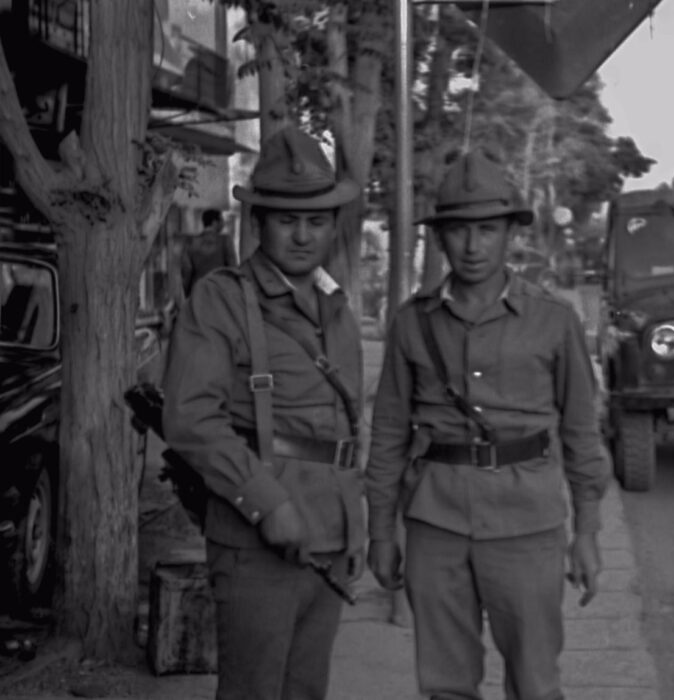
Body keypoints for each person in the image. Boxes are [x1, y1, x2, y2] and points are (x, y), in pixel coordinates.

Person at [365, 149, 611, 700]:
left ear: (509, 234)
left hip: (527, 525)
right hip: (436, 523)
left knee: (535, 683)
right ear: (441, 237)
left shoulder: (554, 321)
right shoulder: (411, 323)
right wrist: (381, 531)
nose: (473, 246)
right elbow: (387, 434)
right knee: (446, 686)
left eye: (487, 230)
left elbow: (580, 434)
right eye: (459, 231)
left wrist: (588, 532)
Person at [162, 125, 365, 700]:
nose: (303, 235)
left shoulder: (337, 310)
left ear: (333, 225)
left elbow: (347, 430)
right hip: (255, 542)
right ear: (258, 223)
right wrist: (266, 500)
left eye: (318, 220)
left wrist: (355, 528)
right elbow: (190, 419)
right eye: (286, 219)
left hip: (327, 539)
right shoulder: (222, 300)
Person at [181, 208, 238, 297]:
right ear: (215, 222)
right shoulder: (225, 240)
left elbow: (186, 271)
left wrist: (187, 294)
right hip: (219, 291)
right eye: (221, 220)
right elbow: (232, 268)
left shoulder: (191, 242)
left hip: (197, 292)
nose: (223, 223)